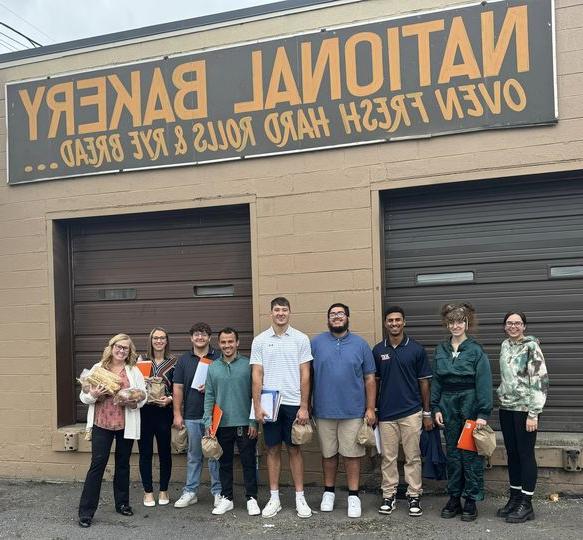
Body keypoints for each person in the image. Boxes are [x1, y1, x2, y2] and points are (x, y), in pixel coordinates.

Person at [311, 303, 376, 518]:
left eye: (340, 314)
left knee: (352, 455)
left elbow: (369, 378)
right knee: (328, 455)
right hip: (323, 410)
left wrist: (370, 408)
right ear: (328, 319)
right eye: (332, 314)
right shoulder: (316, 343)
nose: (337, 317)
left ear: (348, 317)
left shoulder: (360, 344)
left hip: (353, 411)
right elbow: (307, 376)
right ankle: (328, 492)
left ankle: (353, 496)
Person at [250, 297, 313, 519]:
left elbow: (306, 374)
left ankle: (300, 498)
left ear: (289, 313)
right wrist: (257, 406)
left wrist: (304, 405)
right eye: (276, 310)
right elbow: (257, 375)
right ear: (271, 313)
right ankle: (274, 498)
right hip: (269, 403)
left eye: (284, 310)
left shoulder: (301, 339)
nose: (280, 313)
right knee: (273, 449)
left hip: (293, 403)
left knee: (295, 449)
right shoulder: (260, 340)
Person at [78, 333, 147, 528]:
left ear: (129, 351)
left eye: (125, 348)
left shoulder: (133, 371)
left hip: (125, 424)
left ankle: (122, 503)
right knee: (97, 465)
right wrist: (93, 394)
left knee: (123, 464)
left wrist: (133, 400)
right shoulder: (98, 368)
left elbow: (143, 396)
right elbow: (84, 397)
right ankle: (86, 512)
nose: (121, 350)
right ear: (111, 347)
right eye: (118, 346)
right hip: (102, 424)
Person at [431, 303, 492, 522]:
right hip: (447, 404)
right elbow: (436, 380)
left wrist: (483, 413)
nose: (456, 326)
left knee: (469, 453)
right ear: (446, 324)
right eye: (451, 322)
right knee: (453, 455)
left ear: (467, 323)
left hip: (470, 403)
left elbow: (483, 382)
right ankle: (454, 497)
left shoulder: (476, 350)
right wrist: (435, 407)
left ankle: (471, 500)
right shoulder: (441, 349)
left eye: (460, 321)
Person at [372, 306, 433, 518]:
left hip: (411, 412)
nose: (394, 324)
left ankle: (414, 495)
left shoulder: (416, 349)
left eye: (398, 320)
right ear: (385, 323)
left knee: (412, 457)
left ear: (404, 322)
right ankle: (388, 495)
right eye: (390, 320)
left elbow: (424, 383)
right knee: (388, 458)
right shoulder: (378, 350)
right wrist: (374, 408)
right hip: (386, 414)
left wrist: (427, 413)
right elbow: (375, 382)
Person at [496, 311, 549, 524]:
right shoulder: (504, 345)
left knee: (526, 455)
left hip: (525, 411)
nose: (513, 327)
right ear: (505, 326)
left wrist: (533, 413)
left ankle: (527, 504)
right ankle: (515, 498)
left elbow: (540, 380)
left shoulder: (532, 347)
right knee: (512, 454)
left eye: (518, 323)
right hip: (506, 408)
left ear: (524, 326)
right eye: (510, 323)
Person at [203, 327, 260, 516]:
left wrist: (253, 421)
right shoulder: (213, 367)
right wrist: (208, 421)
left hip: (245, 423)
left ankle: (251, 498)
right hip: (221, 423)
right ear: (219, 344)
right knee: (224, 463)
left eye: (230, 341)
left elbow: (255, 395)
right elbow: (209, 395)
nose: (227, 345)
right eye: (223, 342)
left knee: (248, 462)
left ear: (237, 343)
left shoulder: (248, 364)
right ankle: (227, 498)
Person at [173, 322, 222, 508]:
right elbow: (177, 388)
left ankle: (218, 492)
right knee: (194, 455)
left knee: (214, 454)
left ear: (209, 338)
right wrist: (177, 414)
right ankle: (191, 491)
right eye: (196, 335)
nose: (200, 338)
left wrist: (212, 387)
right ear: (191, 338)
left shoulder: (218, 357)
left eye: (203, 335)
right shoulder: (184, 360)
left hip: (214, 414)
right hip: (192, 415)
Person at [138, 327, 176, 507]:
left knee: (164, 452)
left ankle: (163, 489)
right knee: (145, 452)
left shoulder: (174, 362)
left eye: (162, 338)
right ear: (150, 340)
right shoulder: (141, 361)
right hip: (145, 412)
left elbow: (178, 388)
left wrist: (170, 399)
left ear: (166, 341)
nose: (159, 341)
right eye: (155, 338)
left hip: (164, 411)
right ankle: (147, 492)